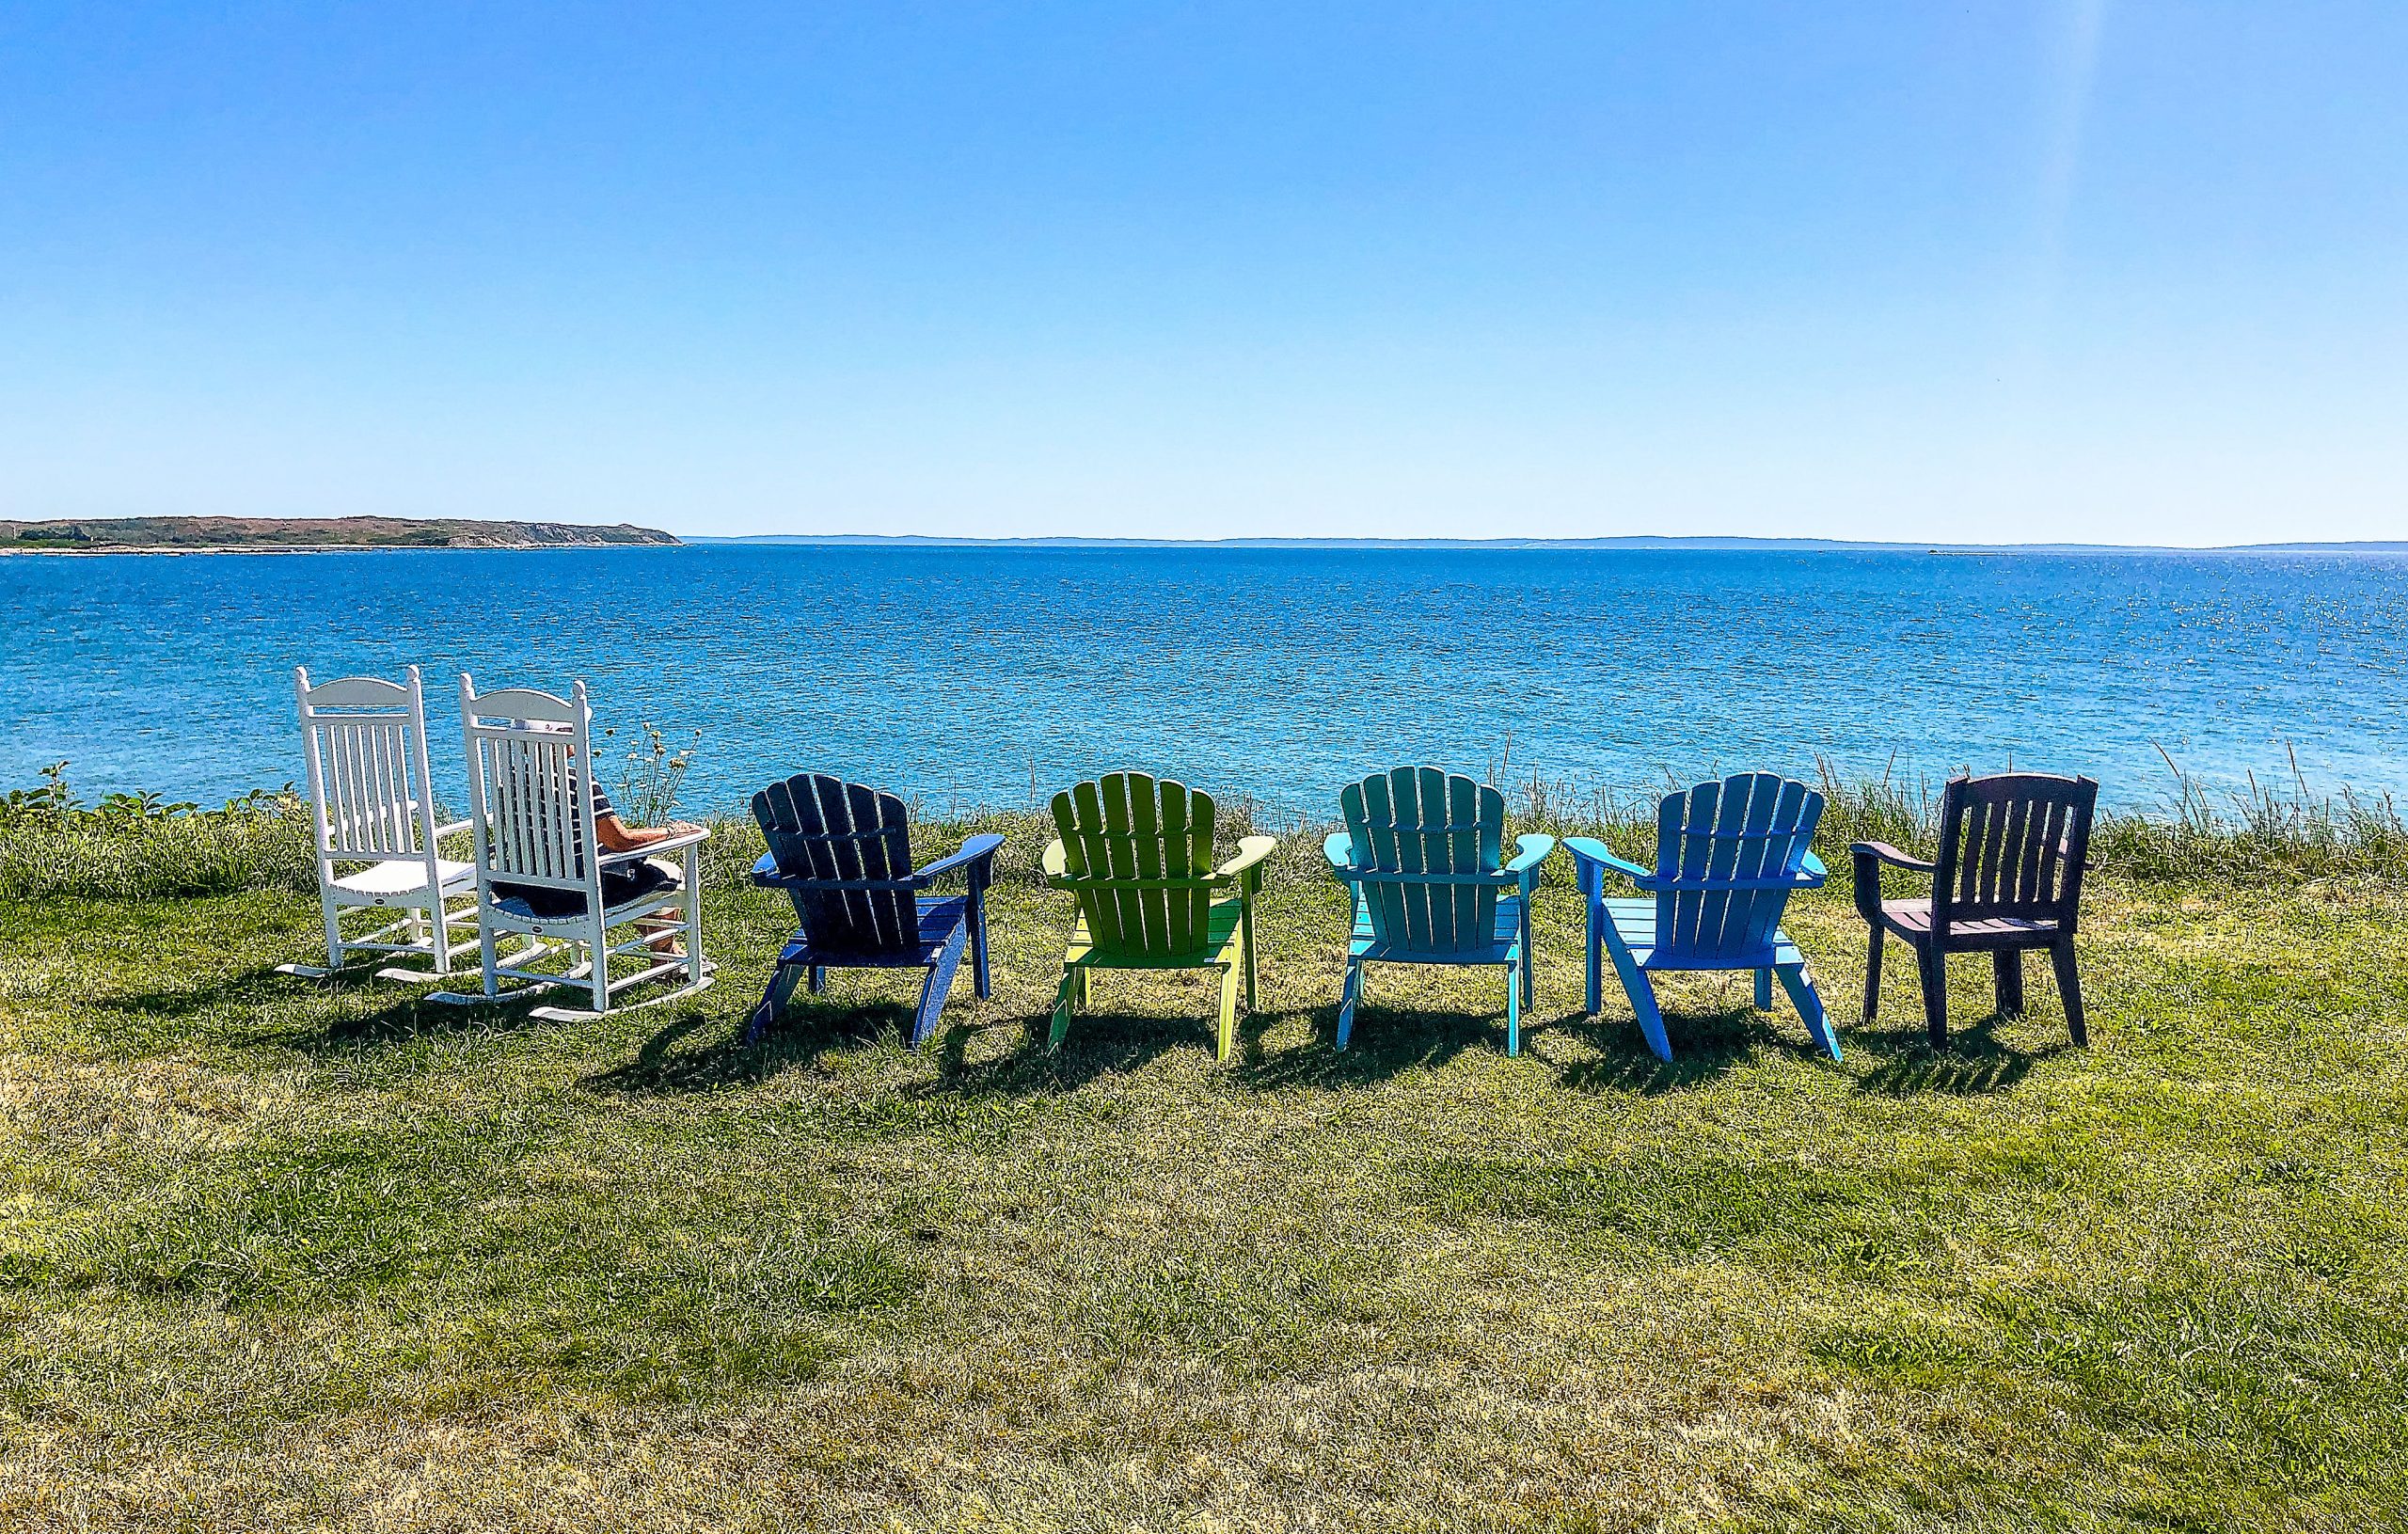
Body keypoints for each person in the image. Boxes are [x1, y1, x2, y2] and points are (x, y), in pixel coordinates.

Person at [488, 765, 705, 957]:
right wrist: (673, 831)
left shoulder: (510, 781)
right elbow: (620, 841)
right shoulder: (576, 781)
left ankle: (668, 952)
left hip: (523, 889)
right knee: (667, 874)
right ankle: (663, 959)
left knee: (630, 874)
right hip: (573, 899)